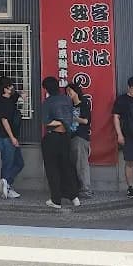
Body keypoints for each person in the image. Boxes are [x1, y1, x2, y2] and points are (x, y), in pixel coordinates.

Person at [41, 76, 80, 209]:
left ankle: (56, 200)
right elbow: (70, 117)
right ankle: (74, 197)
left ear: (46, 89)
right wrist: (65, 122)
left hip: (52, 138)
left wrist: (60, 122)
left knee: (52, 169)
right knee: (67, 167)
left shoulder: (47, 102)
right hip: (65, 138)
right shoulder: (67, 100)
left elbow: (47, 122)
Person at [0, 77, 24, 199]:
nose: (12, 87)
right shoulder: (2, 102)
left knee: (18, 163)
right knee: (9, 163)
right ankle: (6, 183)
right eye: (10, 86)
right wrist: (12, 137)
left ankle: (6, 183)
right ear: (5, 89)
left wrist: (23, 95)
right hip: (6, 138)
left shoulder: (10, 98)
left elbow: (18, 94)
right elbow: (4, 121)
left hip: (11, 138)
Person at [67, 83, 93, 199]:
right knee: (71, 164)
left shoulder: (84, 104)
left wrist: (74, 118)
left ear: (76, 91)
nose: (68, 94)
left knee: (81, 164)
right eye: (67, 92)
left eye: (70, 91)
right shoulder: (67, 105)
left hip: (80, 137)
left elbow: (86, 121)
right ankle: (74, 189)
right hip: (69, 137)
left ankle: (85, 190)